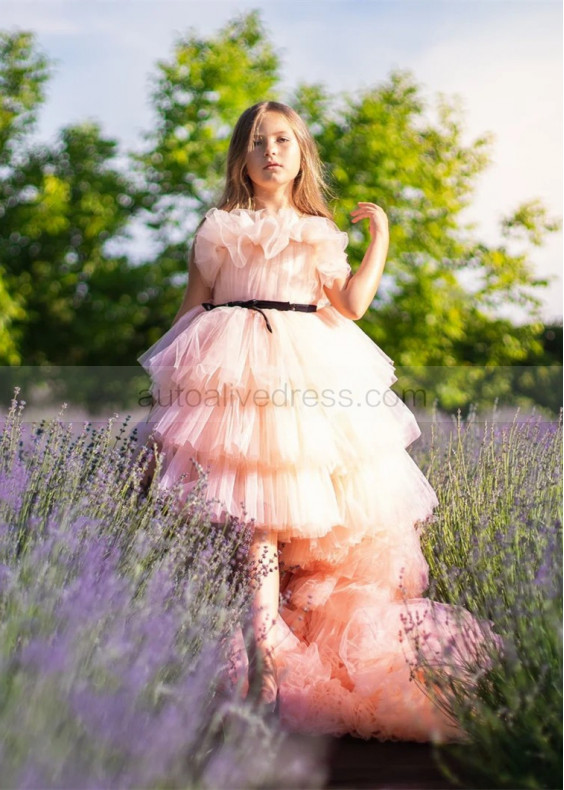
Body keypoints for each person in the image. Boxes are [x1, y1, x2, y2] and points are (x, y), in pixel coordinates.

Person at [137, 100, 503, 742]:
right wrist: (165, 398)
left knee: (279, 525)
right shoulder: (218, 228)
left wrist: (379, 237)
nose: (270, 152)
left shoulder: (315, 230)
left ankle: (271, 667)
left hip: (306, 380)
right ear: (240, 159)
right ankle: (264, 666)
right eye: (256, 142)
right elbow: (191, 311)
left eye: (282, 140)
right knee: (255, 526)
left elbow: (353, 305)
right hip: (235, 378)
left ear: (301, 153)